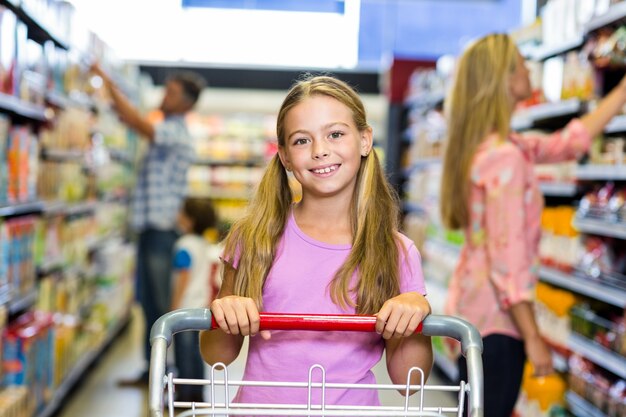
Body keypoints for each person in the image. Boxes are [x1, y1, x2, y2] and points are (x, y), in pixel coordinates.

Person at [199, 75, 433, 406]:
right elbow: (216, 355)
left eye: (335, 134)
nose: (320, 151)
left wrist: (415, 311)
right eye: (301, 141)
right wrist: (225, 313)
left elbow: (410, 380)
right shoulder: (254, 237)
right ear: (284, 156)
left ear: (365, 140)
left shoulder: (395, 252)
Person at [440, 33, 626, 417]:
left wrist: (621, 90)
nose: (529, 68)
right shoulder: (505, 158)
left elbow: (568, 144)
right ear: (505, 80)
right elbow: (507, 263)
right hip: (498, 325)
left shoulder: (497, 146)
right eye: (522, 63)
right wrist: (533, 337)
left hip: (474, 314)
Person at [90, 63, 206, 386]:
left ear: (187, 103)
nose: (163, 96)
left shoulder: (174, 132)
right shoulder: (169, 128)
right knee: (151, 303)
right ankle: (153, 370)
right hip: (151, 230)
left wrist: (109, 82)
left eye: (171, 92)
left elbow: (136, 121)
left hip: (161, 232)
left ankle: (164, 374)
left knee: (160, 305)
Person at [171, 197, 222, 402]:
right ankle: (198, 393)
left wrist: (173, 306)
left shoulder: (184, 245)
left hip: (184, 305)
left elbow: (183, 276)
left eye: (181, 213)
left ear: (190, 221)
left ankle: (183, 395)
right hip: (200, 305)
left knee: (183, 352)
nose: (178, 216)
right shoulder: (203, 244)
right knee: (195, 351)